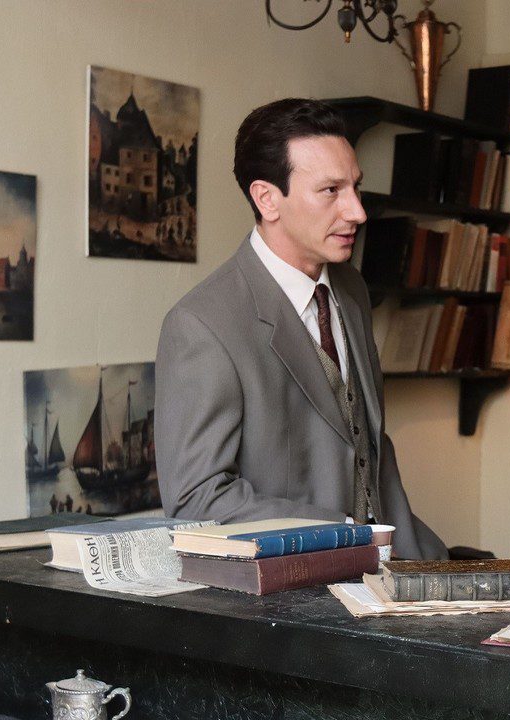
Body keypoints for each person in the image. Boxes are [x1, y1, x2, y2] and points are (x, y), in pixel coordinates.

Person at [155, 98, 447, 560]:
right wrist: (343, 533)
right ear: (267, 199)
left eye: (355, 187)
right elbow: (197, 500)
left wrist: (434, 564)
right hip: (296, 585)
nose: (357, 211)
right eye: (331, 190)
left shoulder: (351, 289)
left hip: (399, 570)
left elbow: (368, 453)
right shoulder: (201, 325)